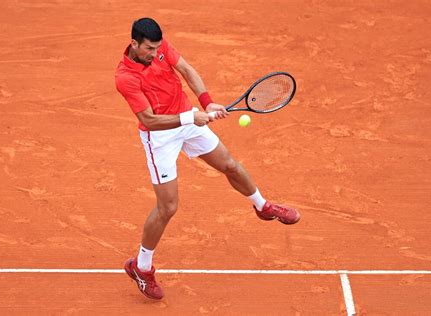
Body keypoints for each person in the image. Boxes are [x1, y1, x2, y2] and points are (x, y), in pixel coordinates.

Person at [115, 17, 300, 300]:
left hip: (188, 119)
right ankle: (141, 267)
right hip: (160, 136)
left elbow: (186, 70)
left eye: (157, 48)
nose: (154, 53)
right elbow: (149, 120)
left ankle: (262, 206)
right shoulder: (125, 77)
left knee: (229, 165)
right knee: (168, 207)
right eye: (149, 49)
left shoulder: (162, 47)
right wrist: (192, 116)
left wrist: (206, 101)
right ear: (134, 44)